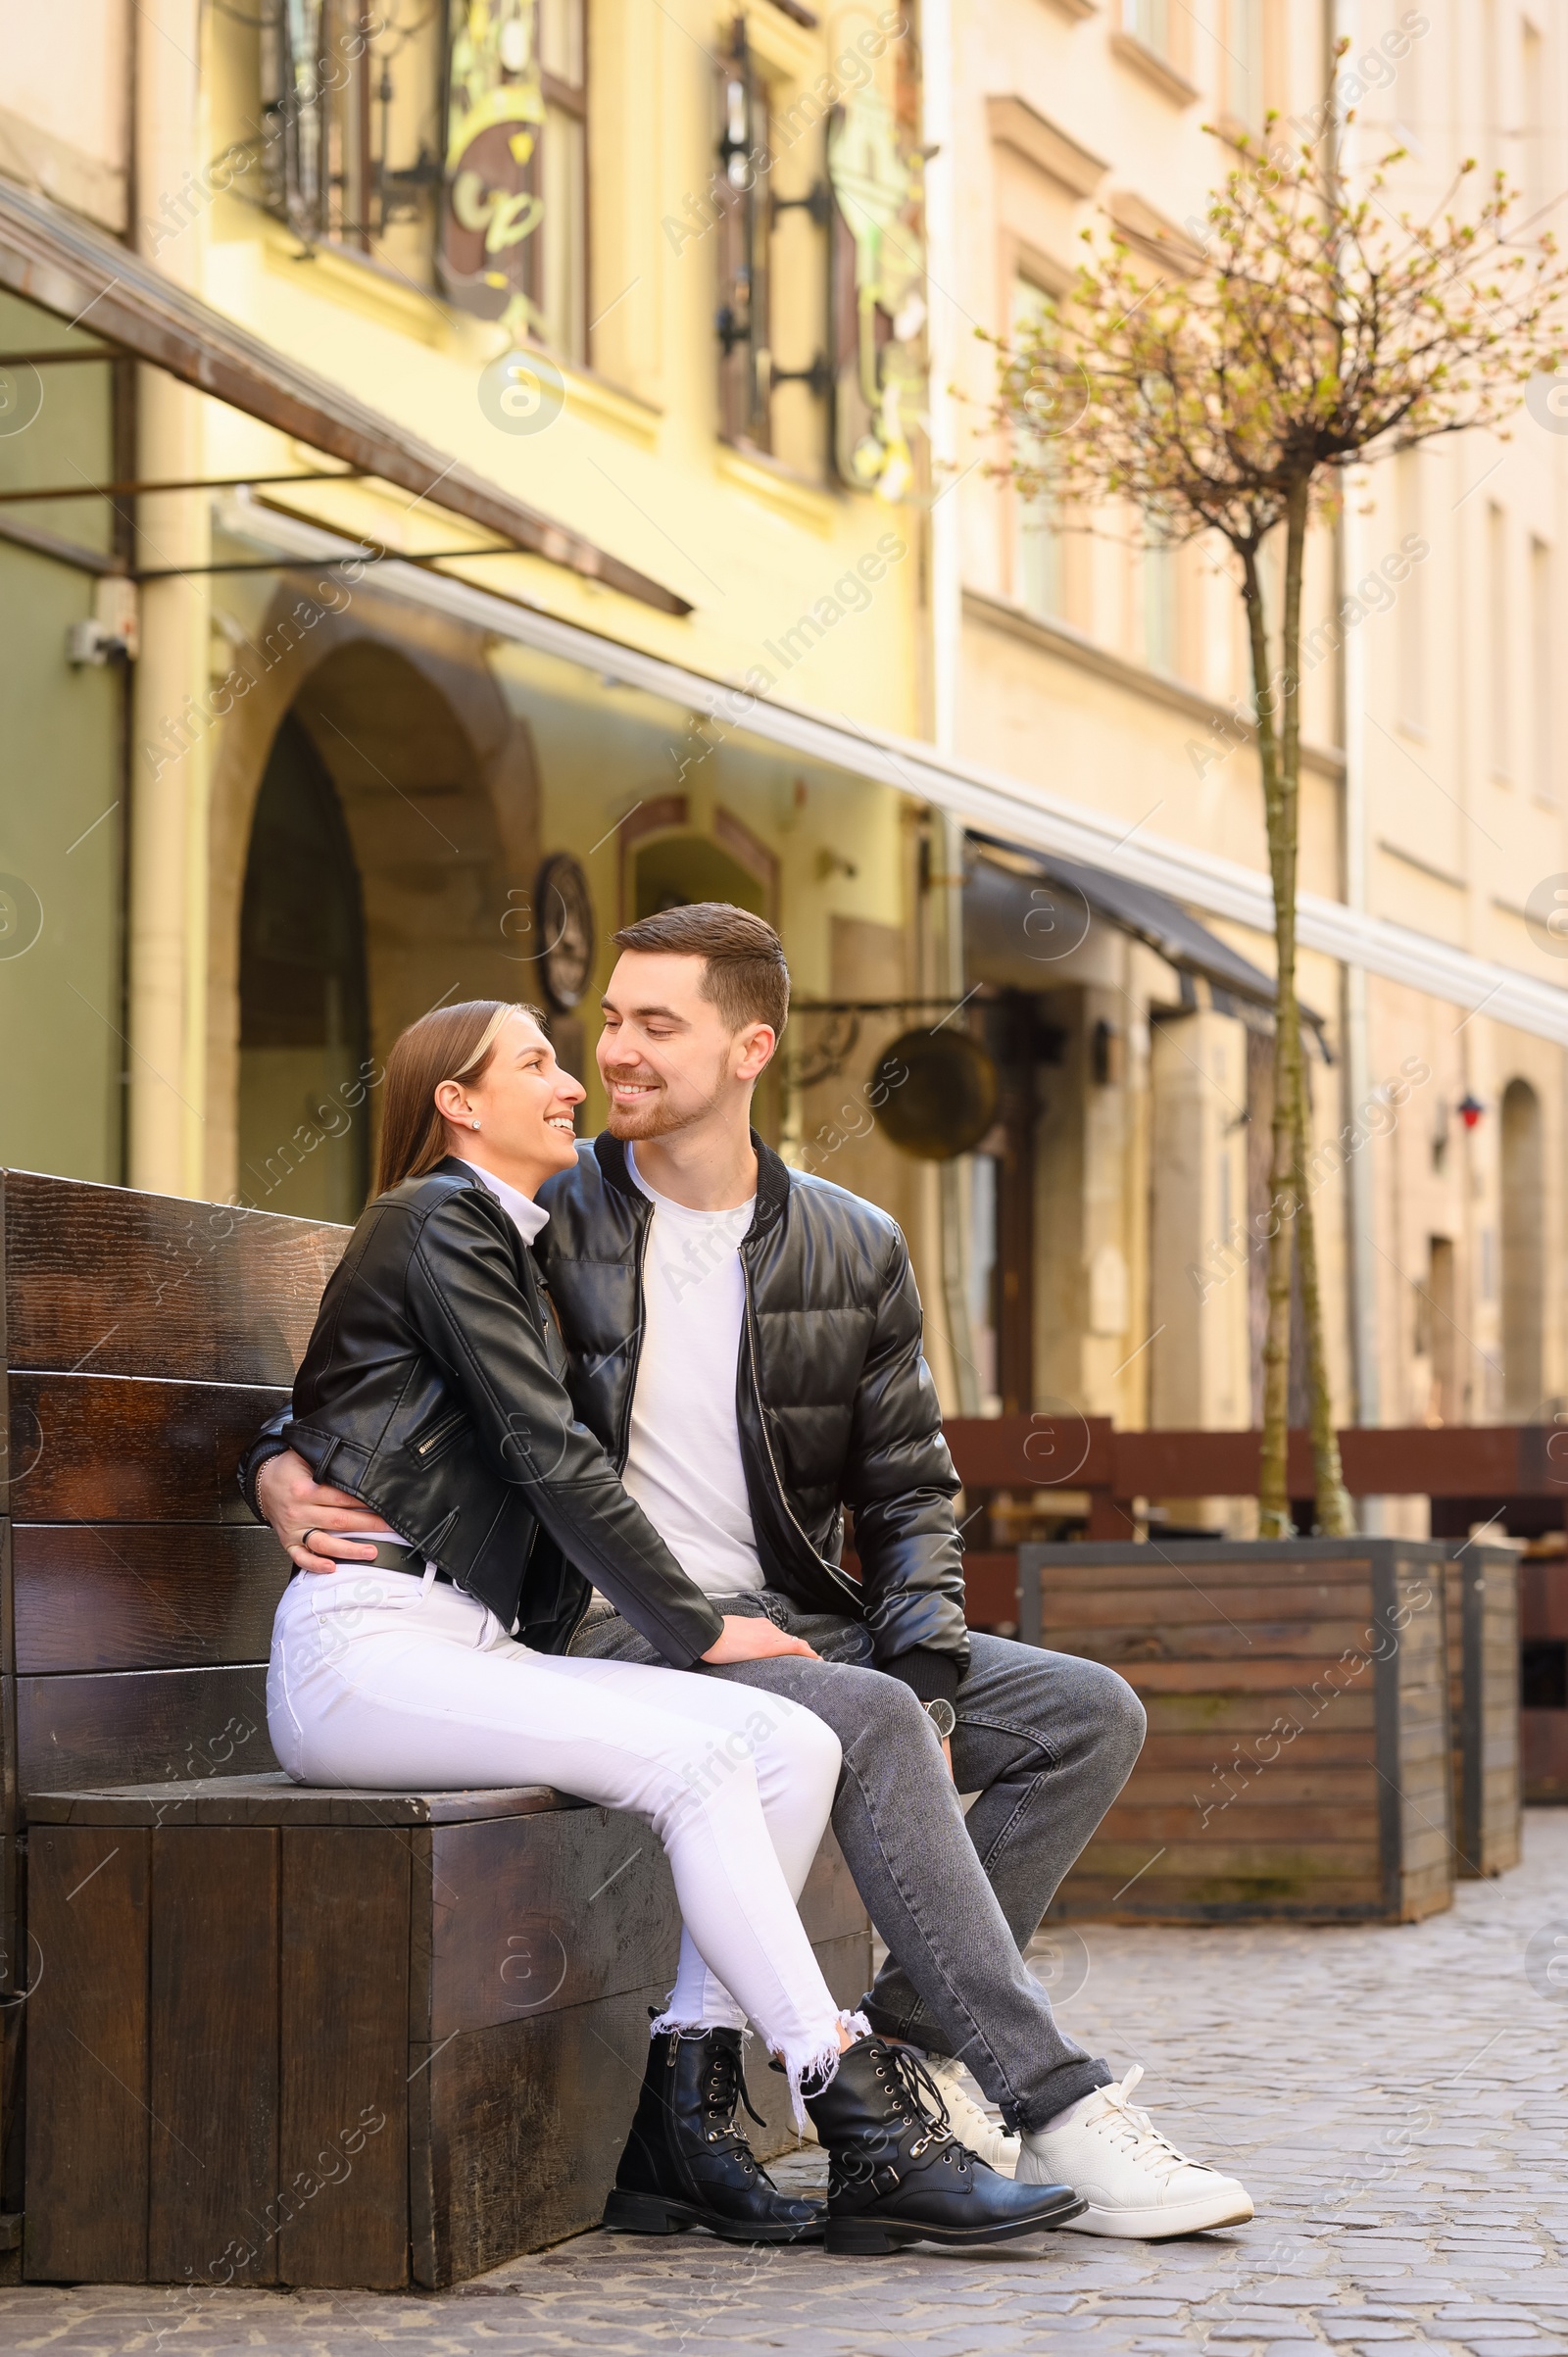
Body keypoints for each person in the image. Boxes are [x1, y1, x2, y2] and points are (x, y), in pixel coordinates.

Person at [250, 914, 1252, 2243]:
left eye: (653, 1025)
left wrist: (933, 1671)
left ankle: (924, 2043)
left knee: (1081, 1714)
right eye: (605, 1022)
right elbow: (383, 1364)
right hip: (602, 1620)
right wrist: (276, 1459)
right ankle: (1050, 2100)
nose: (613, 1054)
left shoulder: (851, 1244)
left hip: (787, 1614)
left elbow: (910, 1493)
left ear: (750, 1047)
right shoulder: (538, 1208)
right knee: (871, 1720)